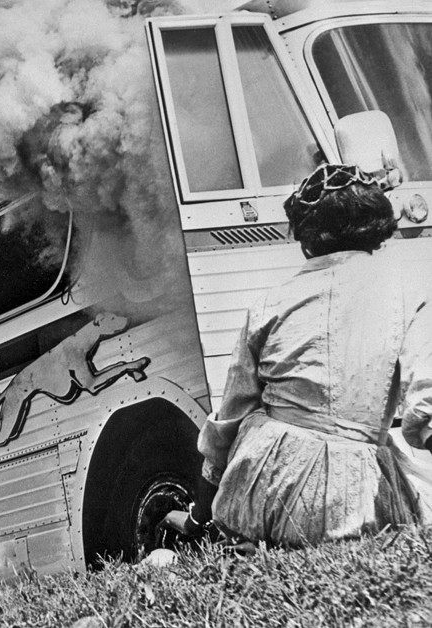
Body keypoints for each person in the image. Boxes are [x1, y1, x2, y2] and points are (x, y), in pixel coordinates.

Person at [163, 163, 431, 548]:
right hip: (354, 504)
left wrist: (196, 520)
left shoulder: (268, 304)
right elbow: (426, 409)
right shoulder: (410, 292)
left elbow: (226, 426)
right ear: (377, 224)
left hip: (266, 496)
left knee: (258, 413)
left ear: (306, 237)